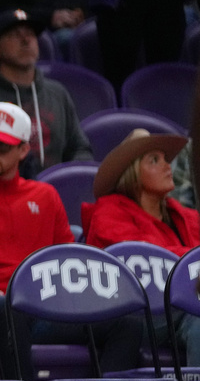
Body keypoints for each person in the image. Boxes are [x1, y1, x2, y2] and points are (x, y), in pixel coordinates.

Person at [0, 102, 143, 381]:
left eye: (1, 145)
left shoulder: (46, 196)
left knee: (128, 323)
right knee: (6, 308)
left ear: (23, 150)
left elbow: (67, 258)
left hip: (45, 306)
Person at [82, 128, 200, 362]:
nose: (168, 166)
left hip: (182, 312)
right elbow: (138, 253)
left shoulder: (188, 217)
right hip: (137, 317)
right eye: (154, 160)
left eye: (166, 159)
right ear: (133, 172)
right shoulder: (109, 212)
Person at [0, 8, 93, 174]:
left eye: (30, 34)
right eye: (15, 35)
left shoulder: (58, 92)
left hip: (54, 191)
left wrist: (69, 179)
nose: (26, 40)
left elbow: (79, 148)